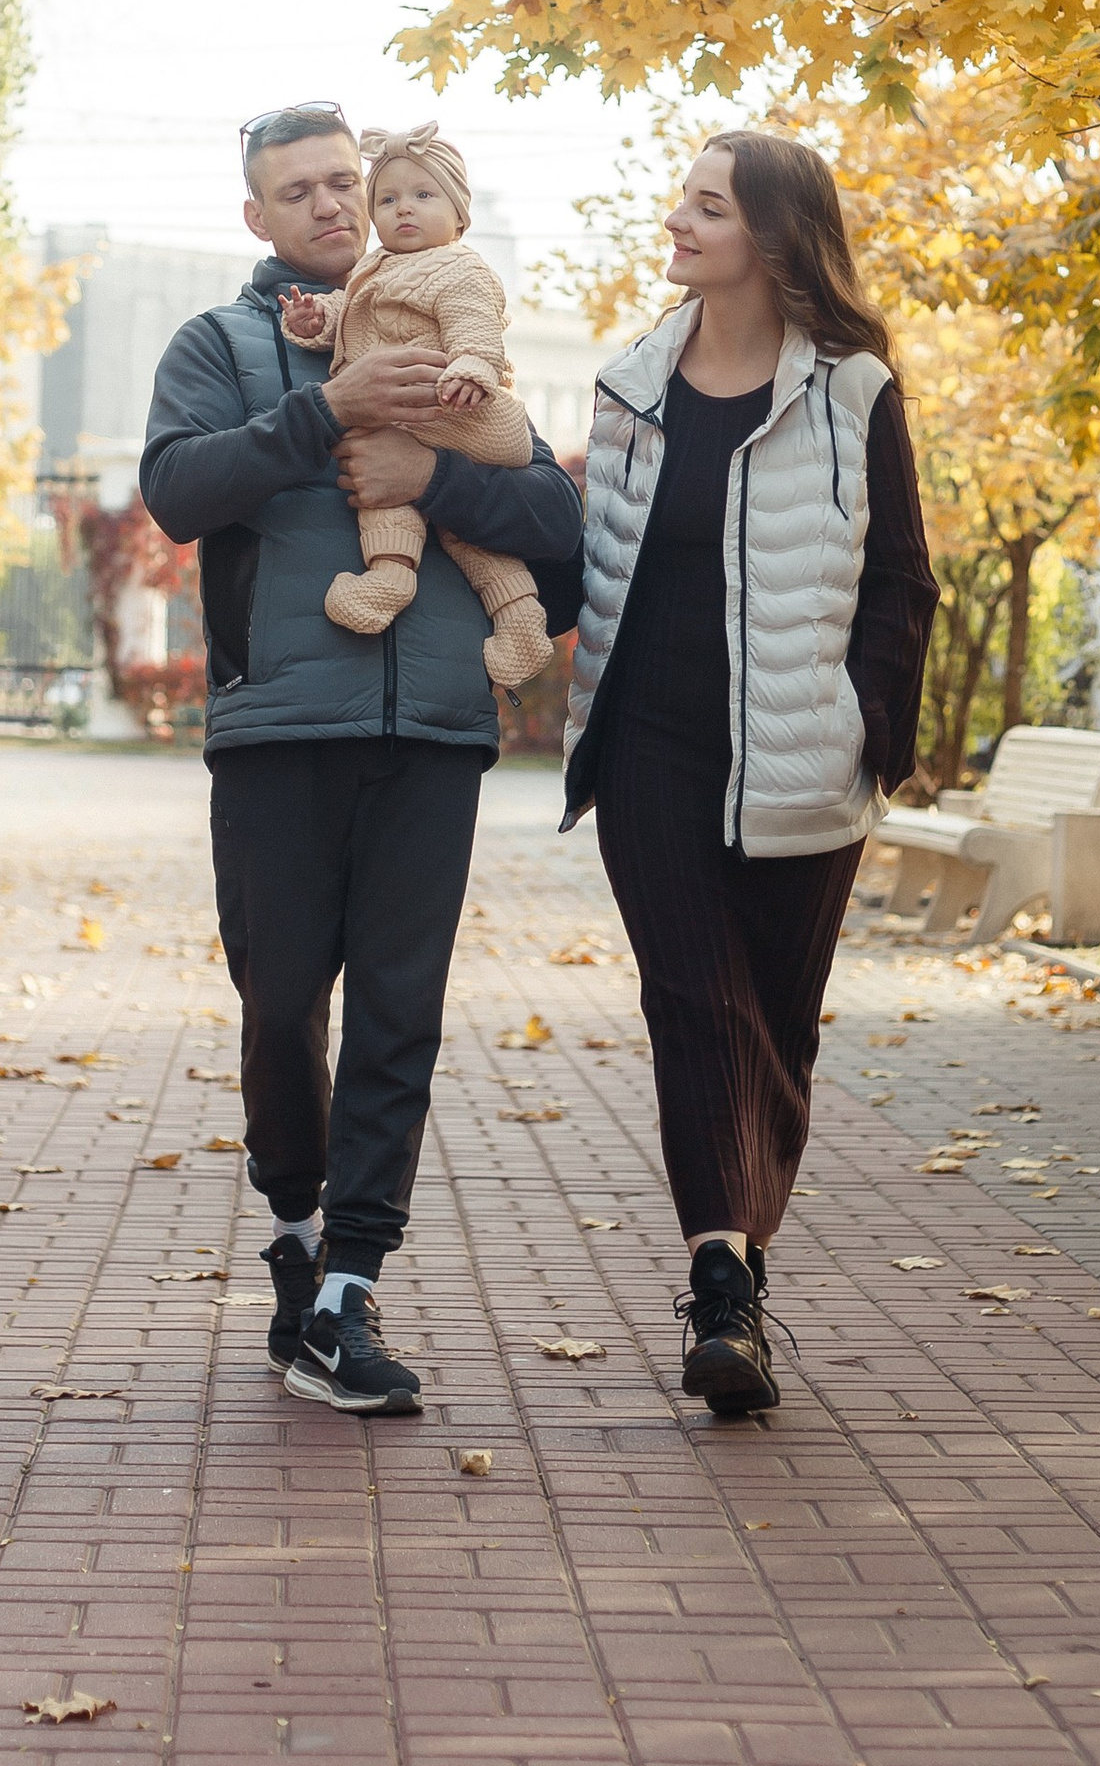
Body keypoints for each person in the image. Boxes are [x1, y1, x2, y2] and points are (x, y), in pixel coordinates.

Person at [139, 99, 585, 1416]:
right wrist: (321, 412)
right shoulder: (216, 343)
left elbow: (554, 528)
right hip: (277, 728)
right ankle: (294, 1226)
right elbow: (176, 491)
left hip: (437, 733)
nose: (336, 207)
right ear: (259, 218)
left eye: (347, 181)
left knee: (400, 1013)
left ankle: (346, 1291)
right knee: (282, 1003)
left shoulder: (460, 341)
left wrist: (428, 474)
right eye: (303, 191)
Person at [561, 129, 941, 1417]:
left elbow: (901, 583)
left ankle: (741, 1258)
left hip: (798, 760)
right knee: (695, 1002)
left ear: (772, 239)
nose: (677, 219)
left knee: (774, 1031)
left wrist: (863, 731)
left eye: (706, 205)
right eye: (683, 197)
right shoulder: (627, 385)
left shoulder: (852, 393)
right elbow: (587, 560)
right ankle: (721, 1283)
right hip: (650, 752)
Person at [279, 120, 554, 685]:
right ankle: (487, 605)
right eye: (388, 198)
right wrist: (313, 320)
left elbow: (474, 323)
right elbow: (347, 314)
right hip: (409, 426)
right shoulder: (372, 270)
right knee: (421, 504)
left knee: (401, 476)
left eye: (423, 196)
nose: (404, 209)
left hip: (459, 411)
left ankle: (406, 578)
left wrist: (473, 366)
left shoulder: (459, 267)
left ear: (459, 215)